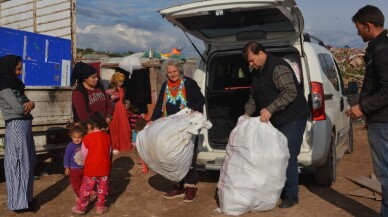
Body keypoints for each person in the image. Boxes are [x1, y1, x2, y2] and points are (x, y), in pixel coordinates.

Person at [242, 41, 308, 208]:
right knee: (273, 156)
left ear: (261, 53)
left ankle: (291, 195)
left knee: (287, 156)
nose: (250, 64)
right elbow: (253, 98)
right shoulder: (257, 72)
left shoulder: (277, 67)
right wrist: (246, 114)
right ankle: (278, 189)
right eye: (248, 62)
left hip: (292, 118)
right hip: (276, 120)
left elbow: (290, 91)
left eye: (252, 60)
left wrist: (270, 109)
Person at [346, 5, 388, 216]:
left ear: (369, 26)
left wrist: (362, 107)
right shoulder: (379, 46)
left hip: (383, 122)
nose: (357, 32)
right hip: (382, 120)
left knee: (385, 175)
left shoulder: (381, 49)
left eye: (359, 28)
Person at [150, 59, 205, 203]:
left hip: (188, 126)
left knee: (189, 157)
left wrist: (194, 111)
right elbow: (159, 106)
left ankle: (190, 187)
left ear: (179, 70)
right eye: (170, 72)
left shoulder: (189, 83)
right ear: (166, 74)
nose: (173, 74)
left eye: (175, 71)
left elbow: (201, 99)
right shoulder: (165, 86)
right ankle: (178, 186)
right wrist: (152, 120)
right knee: (173, 156)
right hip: (171, 128)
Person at [0, 55, 36, 212]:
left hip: (25, 126)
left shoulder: (16, 86)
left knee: (28, 163)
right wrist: (29, 104)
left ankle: (27, 199)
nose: (20, 72)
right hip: (16, 126)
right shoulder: (4, 87)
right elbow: (20, 109)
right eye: (18, 68)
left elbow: (29, 103)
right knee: (17, 164)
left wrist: (31, 103)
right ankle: (18, 204)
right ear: (8, 68)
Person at [71, 113, 111, 215]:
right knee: (102, 189)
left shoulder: (87, 138)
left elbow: (84, 153)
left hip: (91, 169)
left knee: (86, 189)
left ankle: (81, 208)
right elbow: (109, 151)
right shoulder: (107, 137)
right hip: (104, 168)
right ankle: (100, 207)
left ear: (89, 125)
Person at [108, 72, 132, 154]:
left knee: (125, 127)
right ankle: (115, 146)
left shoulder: (123, 89)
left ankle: (125, 145)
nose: (121, 83)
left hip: (122, 109)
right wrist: (111, 97)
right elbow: (108, 99)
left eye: (122, 81)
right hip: (114, 109)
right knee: (114, 127)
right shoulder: (111, 88)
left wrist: (126, 105)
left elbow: (124, 99)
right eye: (120, 81)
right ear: (116, 81)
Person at [63, 125, 87, 201]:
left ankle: (82, 195)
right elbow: (66, 157)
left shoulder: (84, 144)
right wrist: (67, 168)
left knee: (84, 183)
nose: (77, 139)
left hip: (83, 168)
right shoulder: (70, 146)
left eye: (79, 137)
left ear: (83, 136)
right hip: (73, 170)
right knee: (76, 184)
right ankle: (80, 197)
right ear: (71, 136)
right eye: (75, 137)